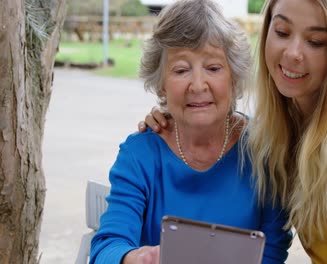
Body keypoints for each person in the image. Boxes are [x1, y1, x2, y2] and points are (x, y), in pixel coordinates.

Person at [141, 0, 327, 263]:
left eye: (316, 42)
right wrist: (174, 123)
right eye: (282, 33)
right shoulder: (286, 119)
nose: (293, 53)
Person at [90, 0, 292, 263]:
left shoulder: (266, 151)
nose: (197, 85)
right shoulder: (140, 155)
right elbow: (107, 246)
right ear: (161, 84)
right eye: (181, 70)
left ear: (234, 78)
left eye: (213, 68)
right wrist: (137, 258)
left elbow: (273, 252)